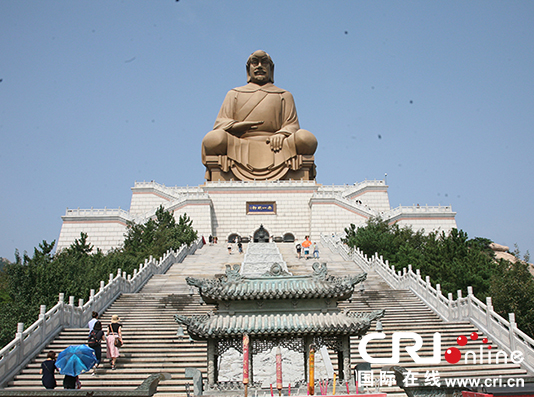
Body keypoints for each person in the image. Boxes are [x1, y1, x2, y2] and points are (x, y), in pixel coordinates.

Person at [201, 50, 317, 181]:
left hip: (277, 145)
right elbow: (220, 124)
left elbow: (292, 125)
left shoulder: (283, 95)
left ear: (271, 69)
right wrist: (238, 126)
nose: (259, 66)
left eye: (264, 63)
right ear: (248, 69)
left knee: (306, 138)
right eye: (255, 62)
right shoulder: (234, 94)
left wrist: (282, 134)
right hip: (240, 143)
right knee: (213, 139)